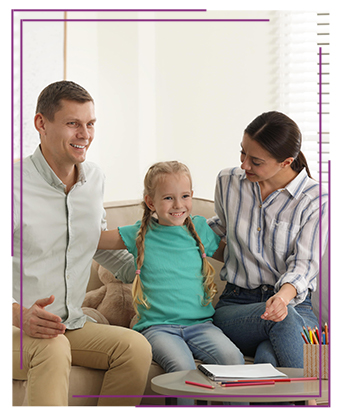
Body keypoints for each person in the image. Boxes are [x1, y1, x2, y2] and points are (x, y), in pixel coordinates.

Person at [12, 80, 152, 406]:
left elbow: (95, 245)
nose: (85, 134)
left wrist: (152, 271)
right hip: (15, 328)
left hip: (68, 324)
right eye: (73, 123)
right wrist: (19, 314)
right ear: (41, 124)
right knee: (52, 347)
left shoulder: (94, 180)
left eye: (90, 124)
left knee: (135, 348)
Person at [98, 161, 244, 404]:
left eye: (184, 196)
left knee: (234, 360)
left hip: (201, 326)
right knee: (183, 370)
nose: (178, 205)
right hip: (157, 328)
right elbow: (94, 240)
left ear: (192, 196)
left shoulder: (199, 229)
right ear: (151, 202)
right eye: (168, 198)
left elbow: (235, 260)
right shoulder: (140, 233)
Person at [208, 111, 328, 368]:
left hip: (295, 307)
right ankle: (312, 405)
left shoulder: (316, 199)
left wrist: (282, 299)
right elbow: (218, 230)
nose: (244, 165)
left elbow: (305, 265)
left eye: (256, 161)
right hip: (237, 306)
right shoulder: (228, 182)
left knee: (267, 356)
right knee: (280, 322)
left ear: (286, 162)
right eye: (242, 153)